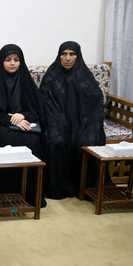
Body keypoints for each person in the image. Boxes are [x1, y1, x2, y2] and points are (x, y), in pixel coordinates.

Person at [40, 41, 107, 199]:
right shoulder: (52, 75)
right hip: (57, 121)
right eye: (64, 54)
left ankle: (84, 187)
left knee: (87, 141)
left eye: (72, 54)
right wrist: (60, 121)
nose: (68, 58)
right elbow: (45, 101)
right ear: (59, 56)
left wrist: (84, 123)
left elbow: (95, 101)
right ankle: (59, 188)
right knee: (57, 140)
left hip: (83, 122)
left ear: (78, 56)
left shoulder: (84, 75)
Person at [0, 44, 45, 207]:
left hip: (23, 122)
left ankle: (30, 195)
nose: (12, 63)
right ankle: (2, 192)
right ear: (1, 61)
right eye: (8, 60)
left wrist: (22, 116)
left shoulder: (26, 81)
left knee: (34, 142)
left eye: (16, 60)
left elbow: (37, 109)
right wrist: (13, 120)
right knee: (5, 139)